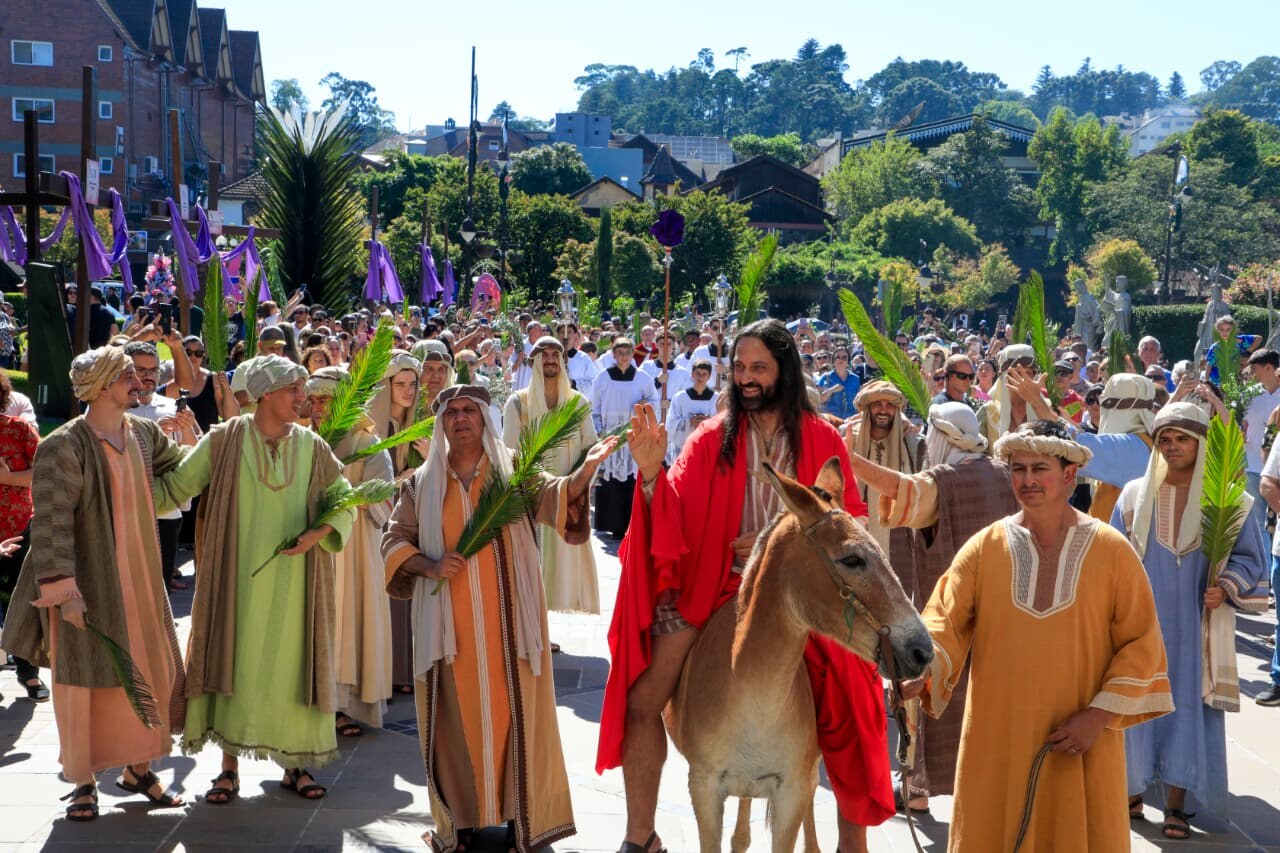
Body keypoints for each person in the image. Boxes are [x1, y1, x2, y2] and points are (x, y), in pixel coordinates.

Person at [599, 319, 890, 853]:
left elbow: (849, 518)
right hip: (712, 588)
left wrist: (776, 539)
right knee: (643, 700)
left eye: (759, 368)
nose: (747, 378)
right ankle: (640, 837)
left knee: (857, 695)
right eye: (740, 368)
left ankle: (854, 843)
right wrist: (647, 474)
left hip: (801, 598)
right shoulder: (711, 438)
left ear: (784, 371)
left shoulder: (822, 436)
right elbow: (675, 511)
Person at [904, 420, 1173, 851]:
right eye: (1018, 469)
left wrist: (1098, 718)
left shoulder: (1111, 550)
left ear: (1069, 476)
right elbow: (943, 620)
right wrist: (924, 668)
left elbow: (1142, 643)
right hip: (997, 740)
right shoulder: (984, 546)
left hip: (1078, 741)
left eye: (1039, 468)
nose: (1027, 480)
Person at [381, 385, 619, 852]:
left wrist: (583, 473)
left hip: (512, 632)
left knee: (516, 723)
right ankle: (461, 825)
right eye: (452, 412)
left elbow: (556, 497)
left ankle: (520, 825)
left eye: (471, 410)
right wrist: (429, 565)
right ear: (441, 423)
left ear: (485, 418)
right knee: (454, 728)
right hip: (450, 637)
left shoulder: (514, 477)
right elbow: (392, 540)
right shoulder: (419, 485)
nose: (462, 418)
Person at [153, 354, 356, 804]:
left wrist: (317, 533)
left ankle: (296, 763)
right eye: (293, 390)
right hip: (233, 585)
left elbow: (345, 501)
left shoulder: (313, 447)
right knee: (233, 664)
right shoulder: (224, 441)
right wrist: (122, 491)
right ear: (265, 394)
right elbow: (178, 485)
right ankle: (227, 770)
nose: (303, 398)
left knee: (292, 671)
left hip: (297, 586)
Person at [2, 347, 191, 820]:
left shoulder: (144, 434)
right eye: (129, 375)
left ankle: (139, 770)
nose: (140, 381)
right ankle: (83, 781)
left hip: (142, 580)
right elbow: (49, 525)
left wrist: (201, 442)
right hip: (85, 586)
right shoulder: (63, 445)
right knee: (82, 684)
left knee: (146, 670)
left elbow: (180, 471)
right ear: (104, 385)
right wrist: (65, 592)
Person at [849, 401, 1017, 814]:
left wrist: (844, 457)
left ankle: (919, 790)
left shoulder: (944, 481)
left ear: (942, 438)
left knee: (929, 693)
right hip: (1005, 613)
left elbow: (899, 490)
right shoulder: (1006, 473)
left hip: (951, 616)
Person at [1113, 403, 1269, 838]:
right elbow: (1111, 559)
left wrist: (1227, 586)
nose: (1173, 447)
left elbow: (1251, 560)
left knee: (1185, 706)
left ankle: (1178, 806)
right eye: (1165, 439)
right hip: (1140, 623)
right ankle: (1132, 790)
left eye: (1182, 438)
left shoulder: (1229, 503)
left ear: (1200, 444)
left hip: (1195, 628)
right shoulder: (1131, 496)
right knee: (1134, 700)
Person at [306, 366, 395, 735]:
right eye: (311, 400)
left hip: (355, 552)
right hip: (311, 551)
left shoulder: (368, 446)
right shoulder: (302, 440)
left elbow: (384, 505)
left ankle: (343, 705)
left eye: (324, 400)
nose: (316, 408)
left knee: (348, 624)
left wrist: (342, 490)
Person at [503, 337, 601, 615]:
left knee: (560, 567)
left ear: (562, 361)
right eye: (543, 355)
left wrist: (576, 486)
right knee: (530, 563)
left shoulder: (577, 403)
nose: (549, 360)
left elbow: (589, 448)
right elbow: (508, 453)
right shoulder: (517, 403)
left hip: (566, 497)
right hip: (531, 499)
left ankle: (545, 629)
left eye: (554, 355)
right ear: (534, 361)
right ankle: (535, 627)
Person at [123, 340, 201, 592]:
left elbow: (193, 452)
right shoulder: (110, 406)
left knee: (160, 586)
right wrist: (155, 432)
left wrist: (187, 427)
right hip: (124, 504)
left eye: (153, 370)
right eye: (140, 370)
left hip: (165, 508)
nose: (148, 377)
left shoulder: (172, 405)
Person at [0, 370, 49, 702]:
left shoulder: (18, 430)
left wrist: (9, 478)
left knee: (24, 600)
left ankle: (28, 671)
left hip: (18, 526)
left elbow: (45, 470)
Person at [844, 381, 927, 567]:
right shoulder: (848, 441)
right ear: (867, 408)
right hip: (858, 536)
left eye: (889, 405)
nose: (884, 410)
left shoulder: (913, 444)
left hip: (900, 541)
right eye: (877, 404)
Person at [590, 338, 659, 539]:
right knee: (610, 479)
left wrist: (647, 406)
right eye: (620, 353)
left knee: (631, 478)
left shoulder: (643, 378)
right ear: (613, 355)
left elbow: (653, 400)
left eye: (627, 353)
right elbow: (594, 407)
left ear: (632, 355)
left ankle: (632, 525)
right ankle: (611, 524)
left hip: (633, 432)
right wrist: (599, 431)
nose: (624, 357)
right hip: (611, 433)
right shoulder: (603, 378)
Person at [1243, 349, 1280, 537]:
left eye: (1254, 368)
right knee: (1258, 524)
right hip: (1252, 468)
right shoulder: (1249, 395)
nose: (1251, 373)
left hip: (1276, 472)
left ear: (1268, 368)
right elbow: (1241, 425)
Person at [975, 344, 1040, 450]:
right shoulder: (989, 411)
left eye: (1028, 373)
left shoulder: (1046, 409)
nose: (1022, 379)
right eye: (1016, 373)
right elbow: (975, 450)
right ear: (1005, 376)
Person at [663, 359, 716, 464]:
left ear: (709, 376)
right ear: (692, 374)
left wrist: (709, 422)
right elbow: (670, 426)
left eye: (704, 374)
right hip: (684, 450)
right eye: (698, 374)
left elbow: (721, 425)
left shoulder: (716, 399)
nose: (700, 378)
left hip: (707, 452)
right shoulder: (680, 397)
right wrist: (689, 422)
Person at [818, 345, 861, 419]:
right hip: (831, 420)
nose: (840, 360)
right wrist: (831, 390)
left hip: (850, 420)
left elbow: (859, 402)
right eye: (837, 357)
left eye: (844, 357)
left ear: (848, 362)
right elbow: (818, 400)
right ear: (833, 361)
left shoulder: (855, 379)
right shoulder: (824, 378)